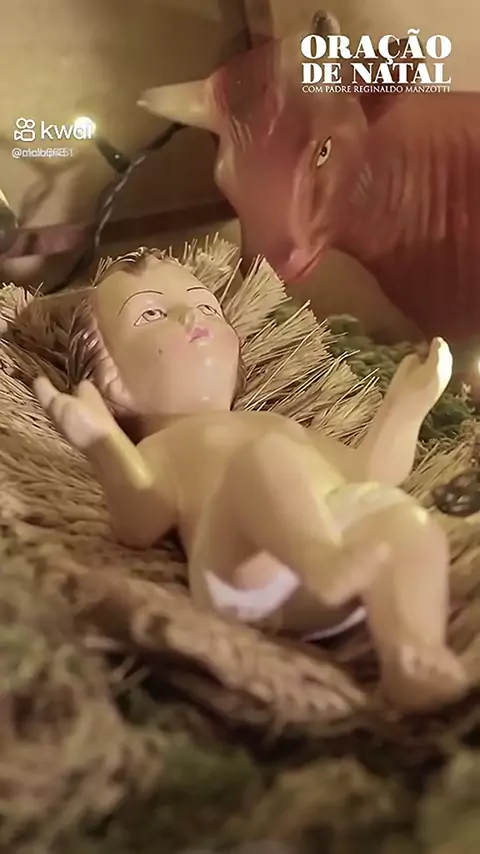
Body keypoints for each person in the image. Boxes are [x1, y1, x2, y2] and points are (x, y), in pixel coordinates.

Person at [34, 247, 467, 710]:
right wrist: (103, 445)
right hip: (244, 573)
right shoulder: (167, 445)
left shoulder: (275, 424)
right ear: (112, 379)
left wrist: (405, 408)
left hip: (342, 553)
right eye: (152, 314)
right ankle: (322, 563)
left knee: (406, 522)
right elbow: (139, 522)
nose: (189, 316)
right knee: (262, 459)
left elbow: (370, 474)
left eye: (206, 306)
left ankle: (412, 652)